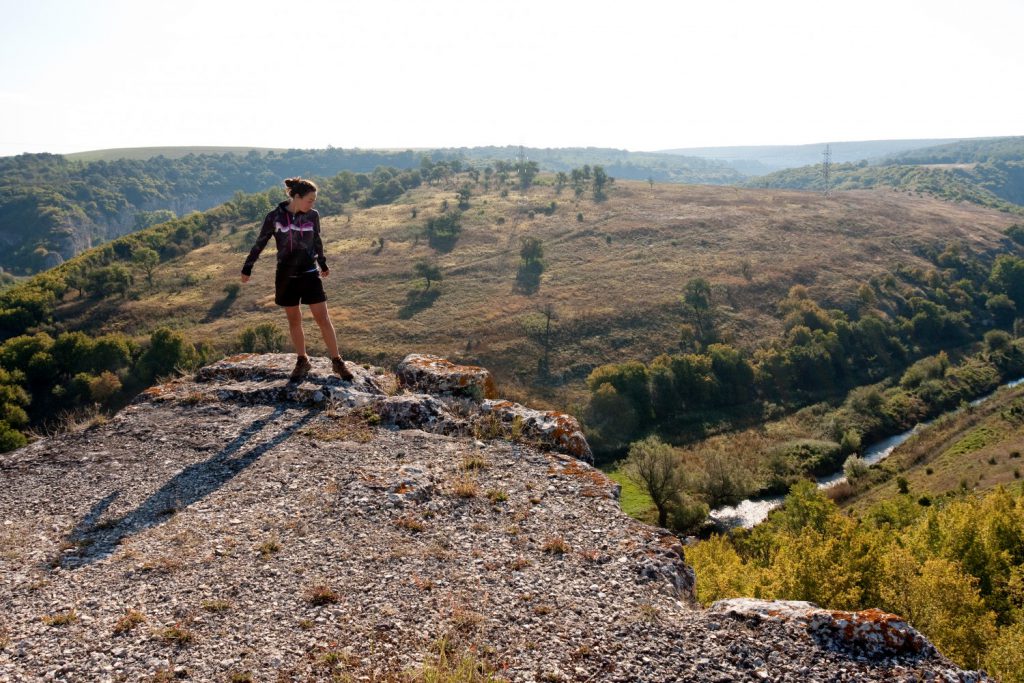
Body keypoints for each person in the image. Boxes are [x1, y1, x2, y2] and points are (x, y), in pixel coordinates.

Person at [240, 177, 354, 382]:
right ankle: (302, 360)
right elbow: (261, 242)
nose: (313, 204)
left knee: (323, 318)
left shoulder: (313, 215)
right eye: (310, 200)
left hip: (309, 272)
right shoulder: (274, 217)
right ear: (297, 197)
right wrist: (248, 266)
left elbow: (317, 240)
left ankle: (337, 361)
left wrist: (323, 263)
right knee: (294, 320)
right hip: (285, 275)